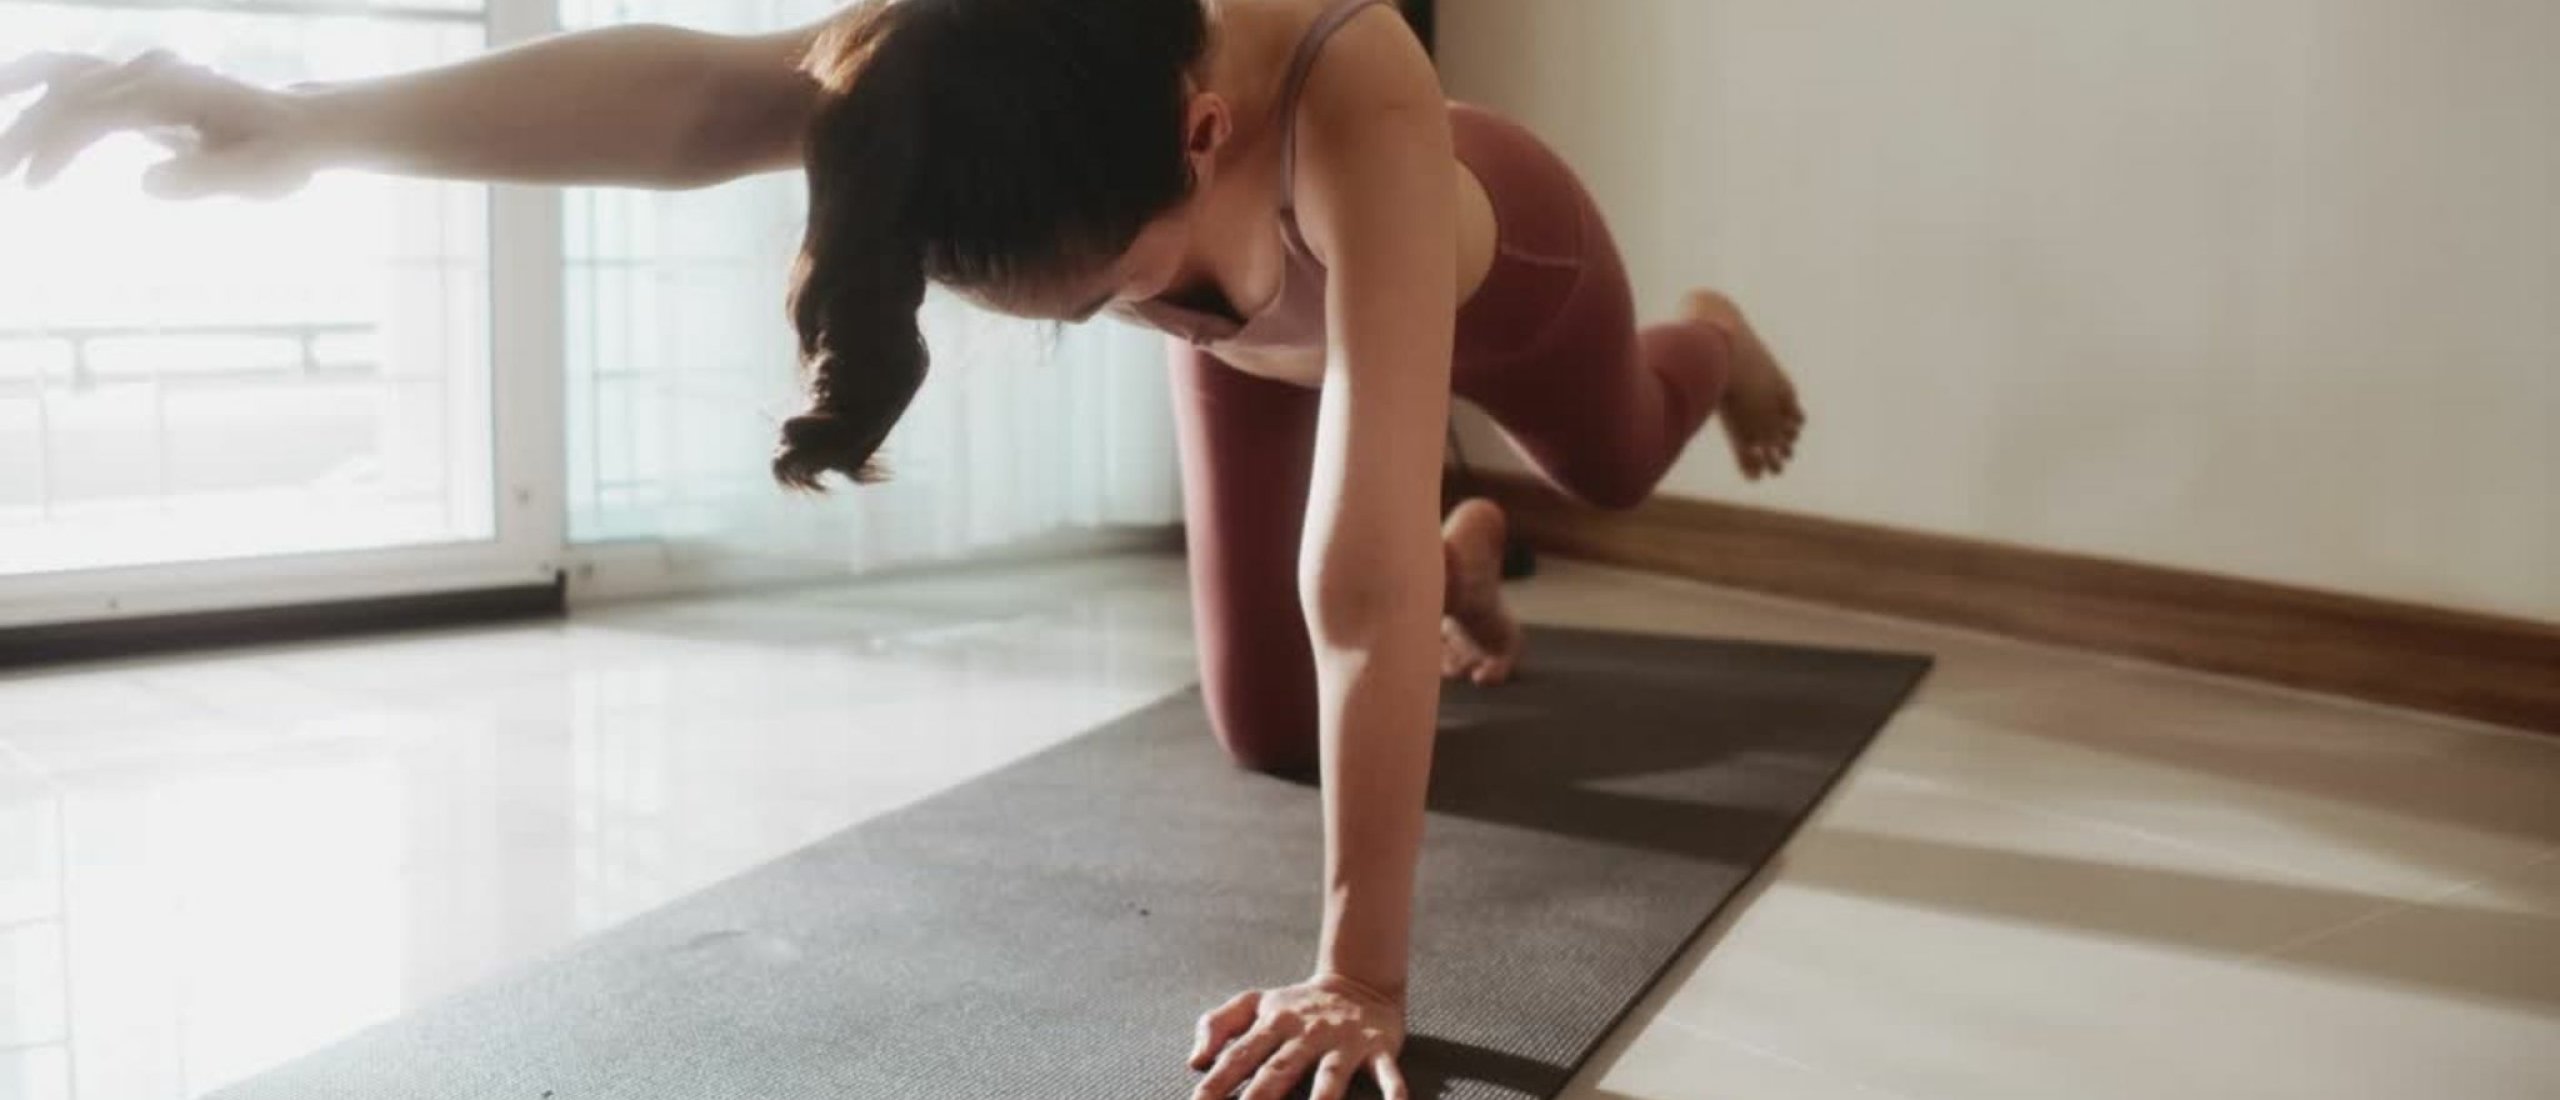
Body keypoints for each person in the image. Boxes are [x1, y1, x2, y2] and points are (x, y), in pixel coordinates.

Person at [0, 2, 1803, 1096]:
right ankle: (1462, 533)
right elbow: (701, 100)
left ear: (1205, 133)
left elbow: (1353, 583)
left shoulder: (1357, 91)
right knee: (1266, 727)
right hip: (1258, 338)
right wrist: (303, 126)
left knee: (1619, 460)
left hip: (1507, 289)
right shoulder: (988, 60)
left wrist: (1364, 976)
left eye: (1094, 293)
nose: (1096, 322)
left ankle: (1705, 343)